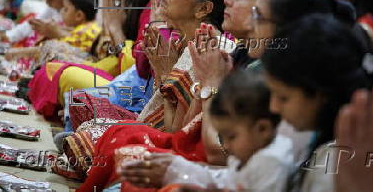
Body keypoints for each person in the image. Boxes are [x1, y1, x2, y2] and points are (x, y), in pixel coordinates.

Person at [59, 0, 234, 187]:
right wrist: (163, 73)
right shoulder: (185, 37)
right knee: (89, 116)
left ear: (203, 8)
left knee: (106, 135)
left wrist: (163, 73)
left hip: (177, 147)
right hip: (159, 126)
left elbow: (178, 133)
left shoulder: (210, 48)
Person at [28, 0, 176, 119]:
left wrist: (114, 28)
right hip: (114, 67)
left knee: (64, 75)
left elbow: (137, 72)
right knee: (55, 66)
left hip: (135, 89)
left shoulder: (156, 5)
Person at [121, 69, 293, 191]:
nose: (226, 145)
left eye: (232, 136)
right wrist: (176, 168)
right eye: (223, 137)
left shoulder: (273, 163)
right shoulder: (244, 157)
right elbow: (220, 181)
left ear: (262, 129)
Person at [262, 14, 373, 191]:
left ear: (321, 95)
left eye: (283, 98)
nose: (273, 107)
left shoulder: (335, 166)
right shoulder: (324, 142)